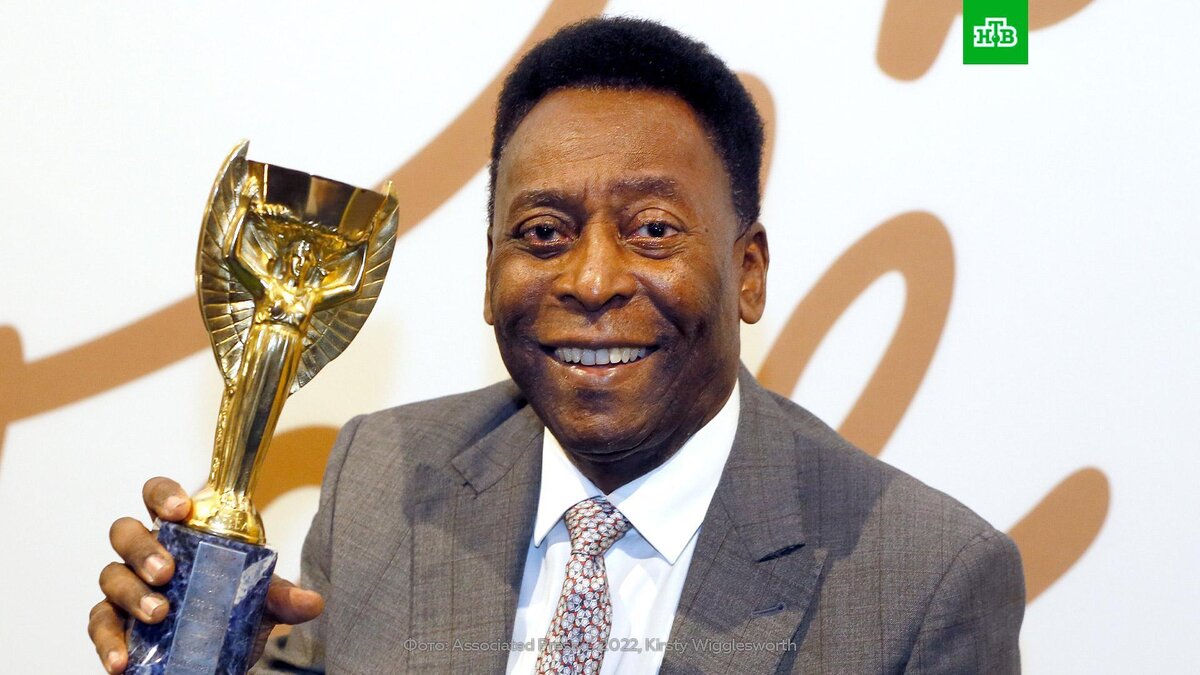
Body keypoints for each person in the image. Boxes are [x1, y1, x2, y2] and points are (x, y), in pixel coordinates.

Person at [89, 17, 1025, 674]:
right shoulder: (382, 480)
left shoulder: (925, 582)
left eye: (652, 230)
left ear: (748, 271)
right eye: (542, 233)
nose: (590, 278)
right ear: (488, 272)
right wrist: (195, 640)